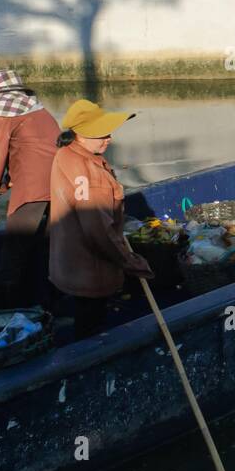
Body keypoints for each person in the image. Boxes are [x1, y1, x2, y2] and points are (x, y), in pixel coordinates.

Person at [47, 100, 153, 340]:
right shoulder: (88, 170)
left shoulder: (65, 154)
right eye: (101, 135)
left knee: (84, 317)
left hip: (68, 262)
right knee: (90, 328)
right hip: (89, 268)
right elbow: (97, 228)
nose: (109, 139)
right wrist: (130, 262)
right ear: (81, 136)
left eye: (109, 133)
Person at [0, 70, 61, 308]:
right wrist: (3, 185)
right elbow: (32, 152)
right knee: (47, 247)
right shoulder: (37, 110)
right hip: (59, 183)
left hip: (33, 189)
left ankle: (2, 309)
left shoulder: (1, 112)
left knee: (14, 250)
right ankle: (51, 306)